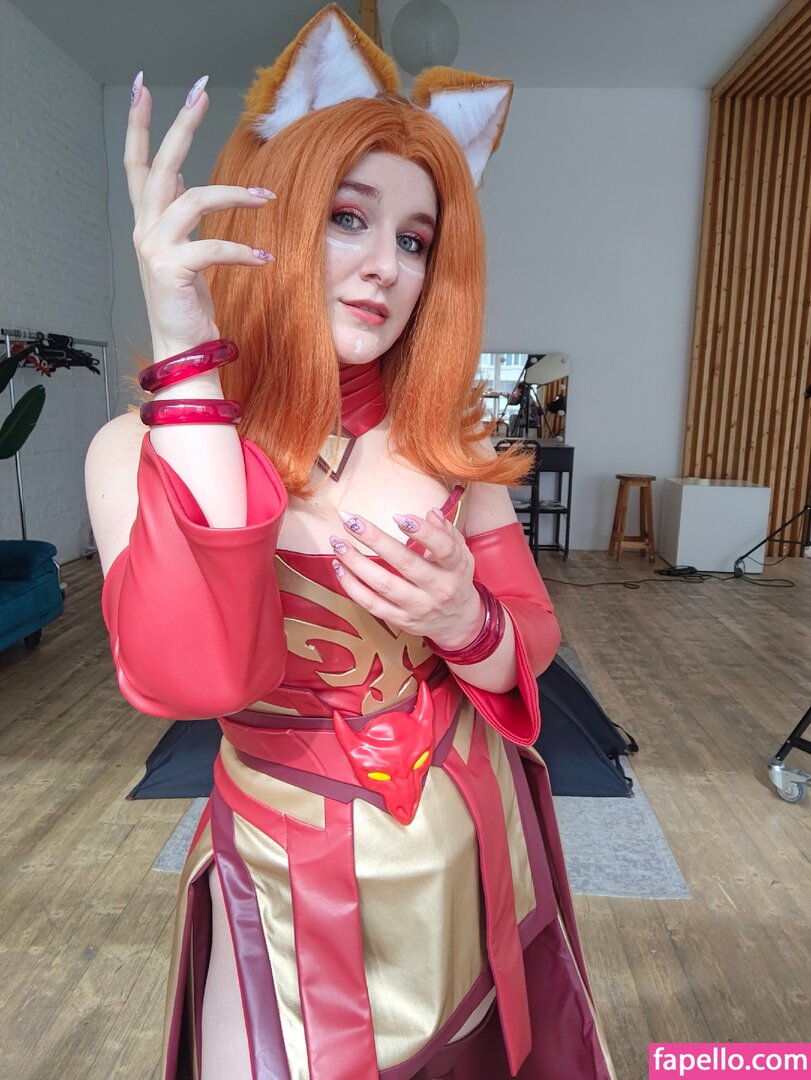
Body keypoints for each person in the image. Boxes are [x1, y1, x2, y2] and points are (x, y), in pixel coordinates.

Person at [85, 7, 614, 1079]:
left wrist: (464, 620)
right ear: (268, 215)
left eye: (414, 240)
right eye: (345, 217)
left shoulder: (448, 444)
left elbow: (532, 641)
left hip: (472, 839)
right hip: (285, 864)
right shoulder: (135, 448)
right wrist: (187, 360)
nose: (386, 267)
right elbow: (199, 678)